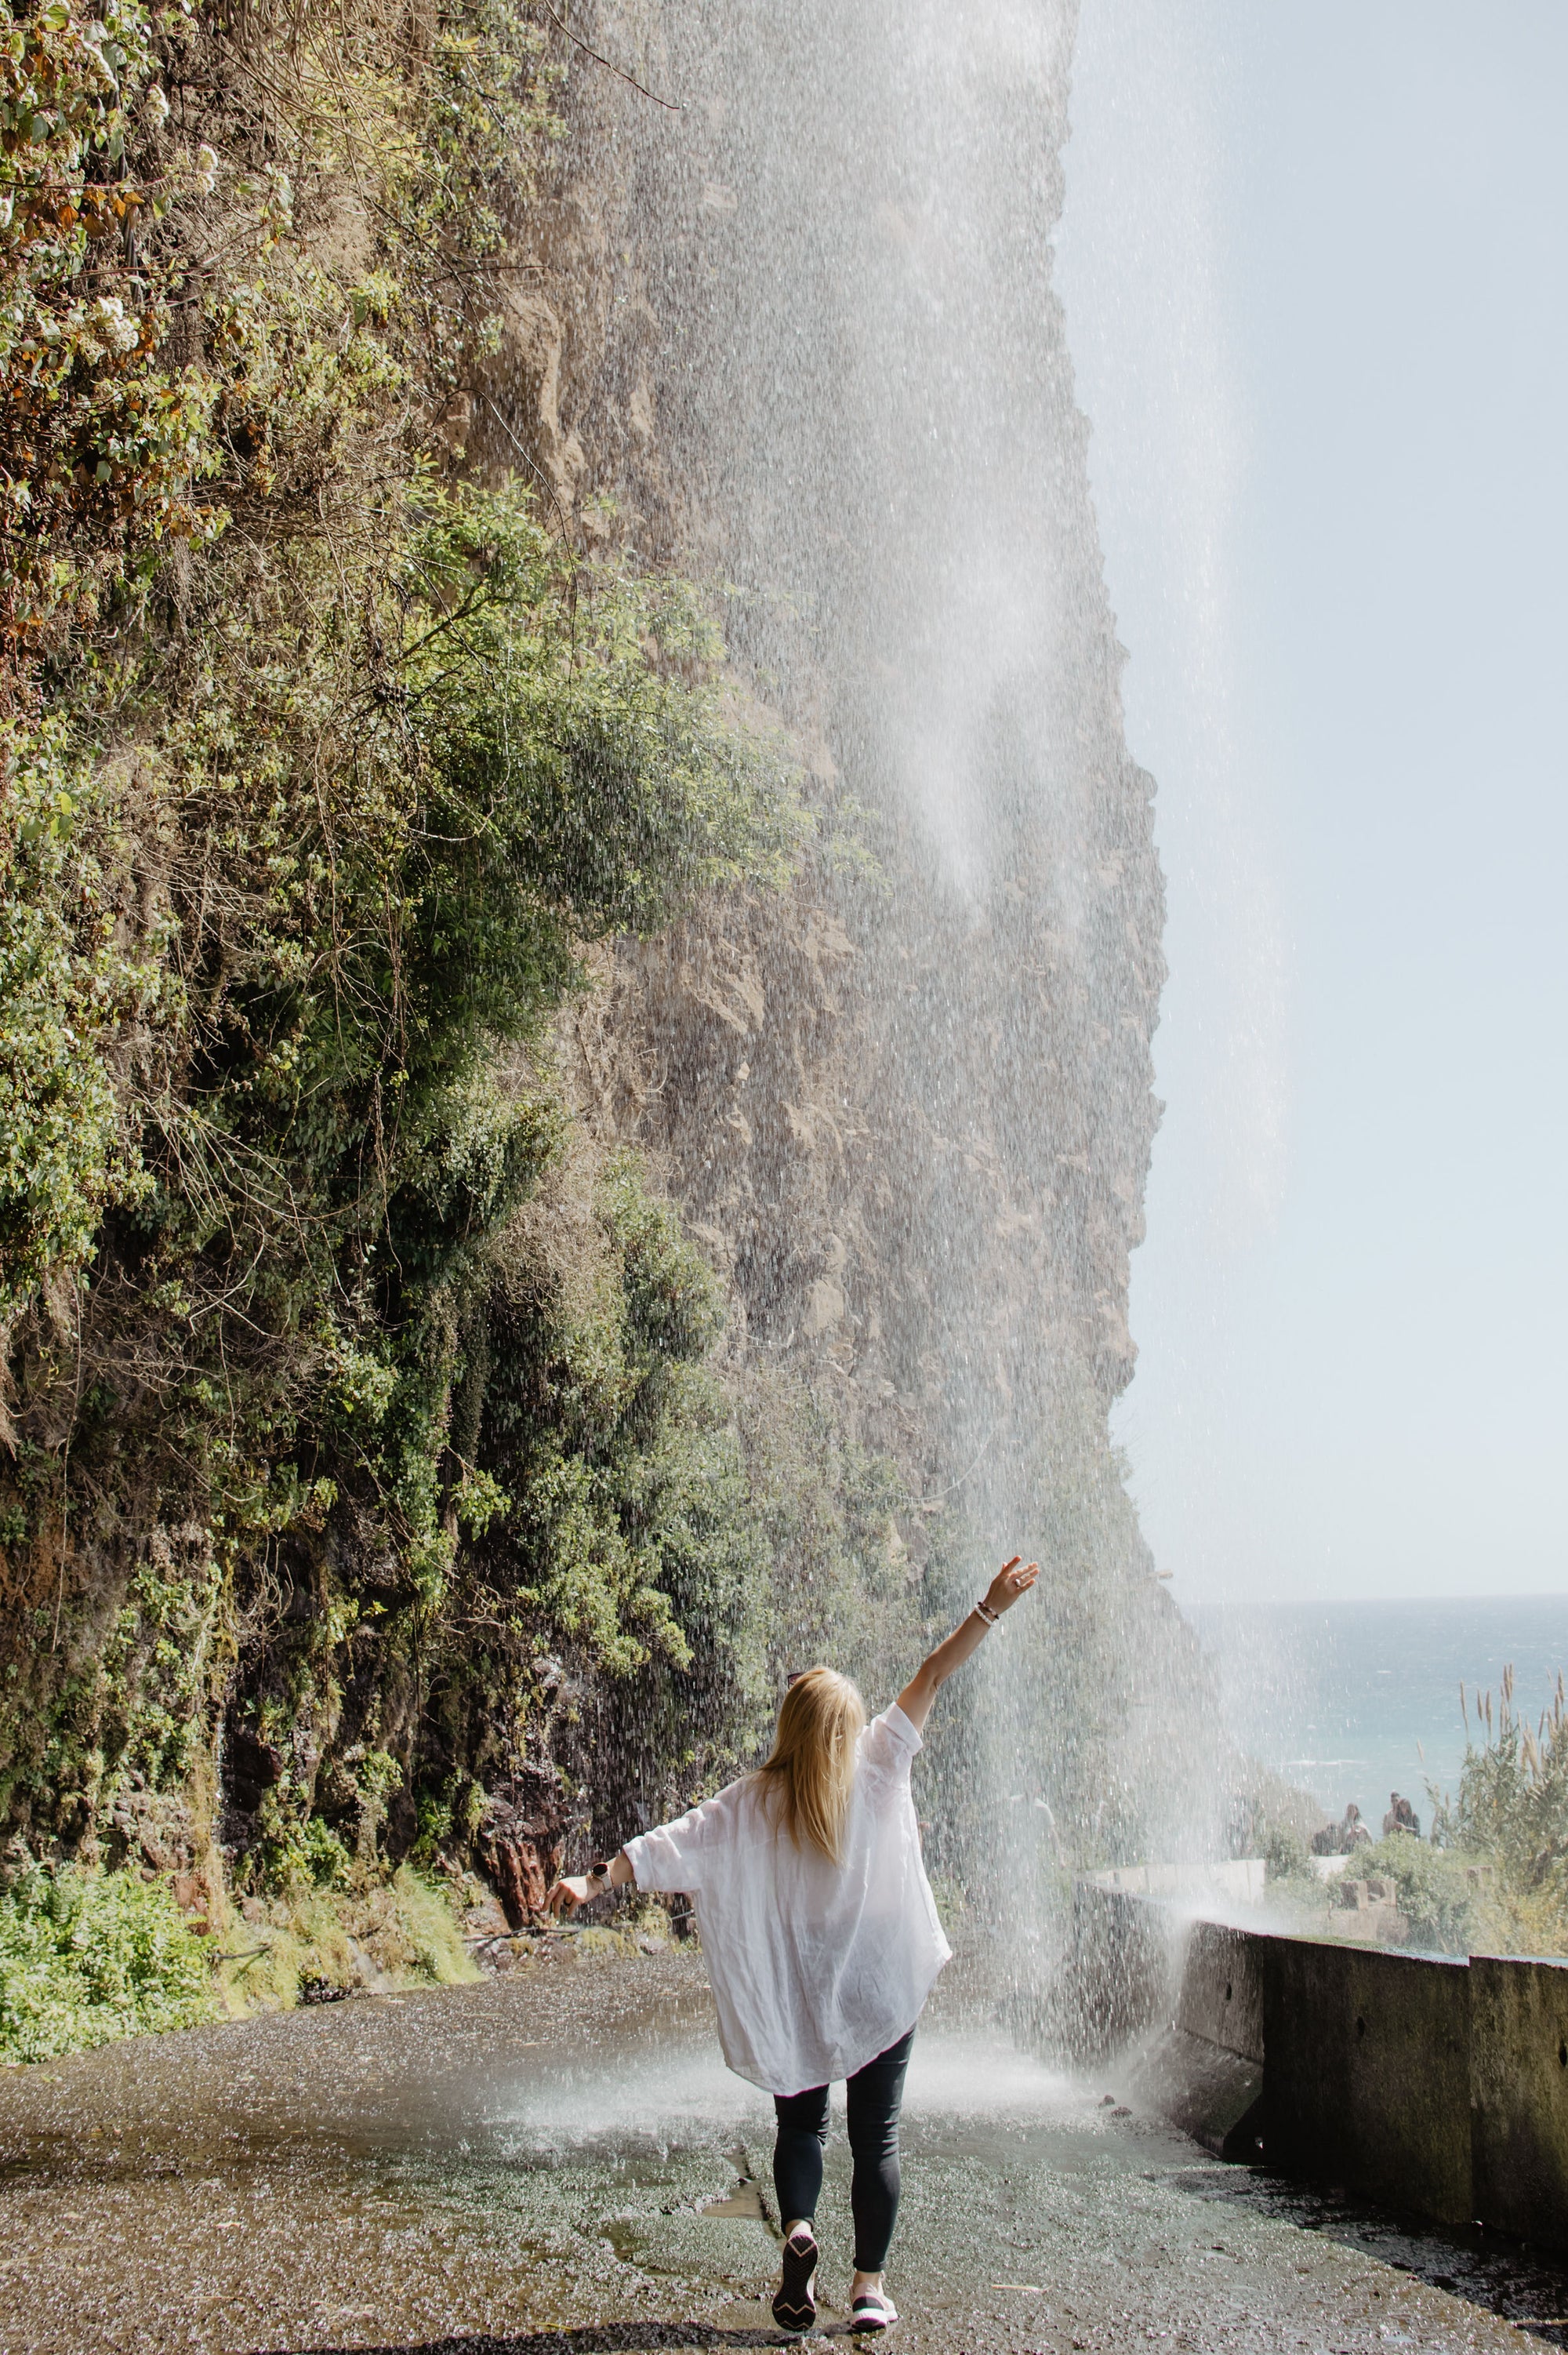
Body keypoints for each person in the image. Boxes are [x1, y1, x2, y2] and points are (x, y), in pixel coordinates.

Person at [547, 1552, 1040, 2337]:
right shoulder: (879, 1762)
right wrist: (988, 1607)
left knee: (799, 2126)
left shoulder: (755, 1801)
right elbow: (933, 1673)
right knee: (875, 2133)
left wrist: (594, 1882)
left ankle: (797, 2228)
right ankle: (869, 2290)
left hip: (801, 1980)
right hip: (876, 1973)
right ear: (848, 1731)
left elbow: (670, 1844)